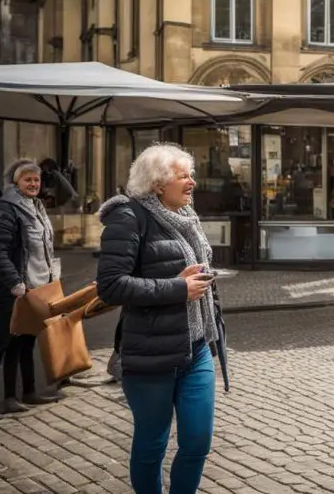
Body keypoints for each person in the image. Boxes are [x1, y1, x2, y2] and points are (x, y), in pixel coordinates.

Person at [97, 144, 226, 494]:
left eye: (191, 174)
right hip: (150, 354)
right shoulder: (128, 218)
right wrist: (177, 288)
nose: (192, 183)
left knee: (197, 442)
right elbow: (110, 287)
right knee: (152, 443)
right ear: (157, 183)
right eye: (183, 176)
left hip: (196, 347)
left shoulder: (188, 217)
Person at [0, 160, 61, 422]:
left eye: (36, 179)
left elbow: (44, 248)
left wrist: (50, 277)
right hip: (8, 286)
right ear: (15, 182)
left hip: (33, 284)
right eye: (27, 179)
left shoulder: (36, 207)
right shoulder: (3, 210)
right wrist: (15, 282)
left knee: (26, 340)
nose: (33, 183)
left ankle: (23, 394)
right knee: (2, 342)